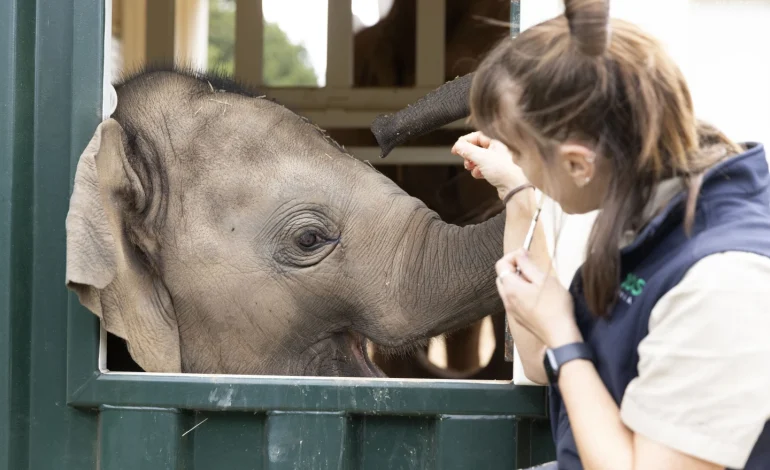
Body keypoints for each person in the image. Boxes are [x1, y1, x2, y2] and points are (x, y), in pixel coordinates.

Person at [451, 0, 770, 469]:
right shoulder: (648, 218)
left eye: (520, 151)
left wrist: (562, 330)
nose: (518, 162)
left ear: (579, 164)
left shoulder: (722, 283)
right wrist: (519, 194)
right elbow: (544, 362)